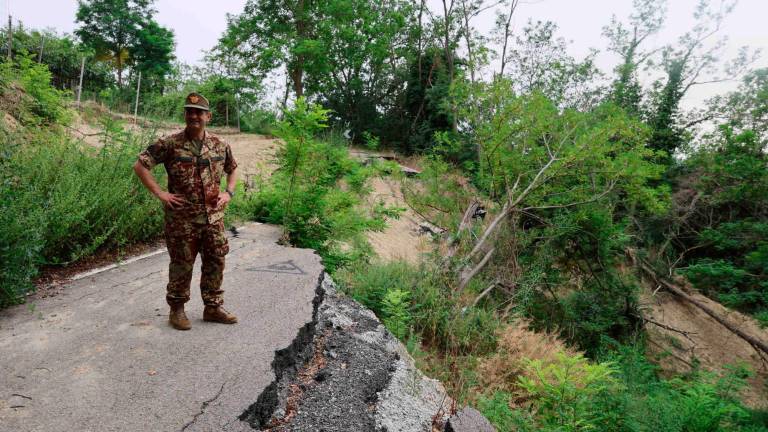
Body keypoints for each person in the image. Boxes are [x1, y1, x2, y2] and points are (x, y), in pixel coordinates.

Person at [133, 92, 239, 330]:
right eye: (189, 111)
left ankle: (213, 307)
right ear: (185, 115)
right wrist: (161, 194)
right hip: (182, 220)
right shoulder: (170, 144)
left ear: (208, 116)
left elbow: (232, 170)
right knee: (181, 264)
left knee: (215, 261)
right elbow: (140, 166)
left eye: (199, 112)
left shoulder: (220, 145)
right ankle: (177, 310)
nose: (194, 116)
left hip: (213, 219)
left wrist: (228, 193)